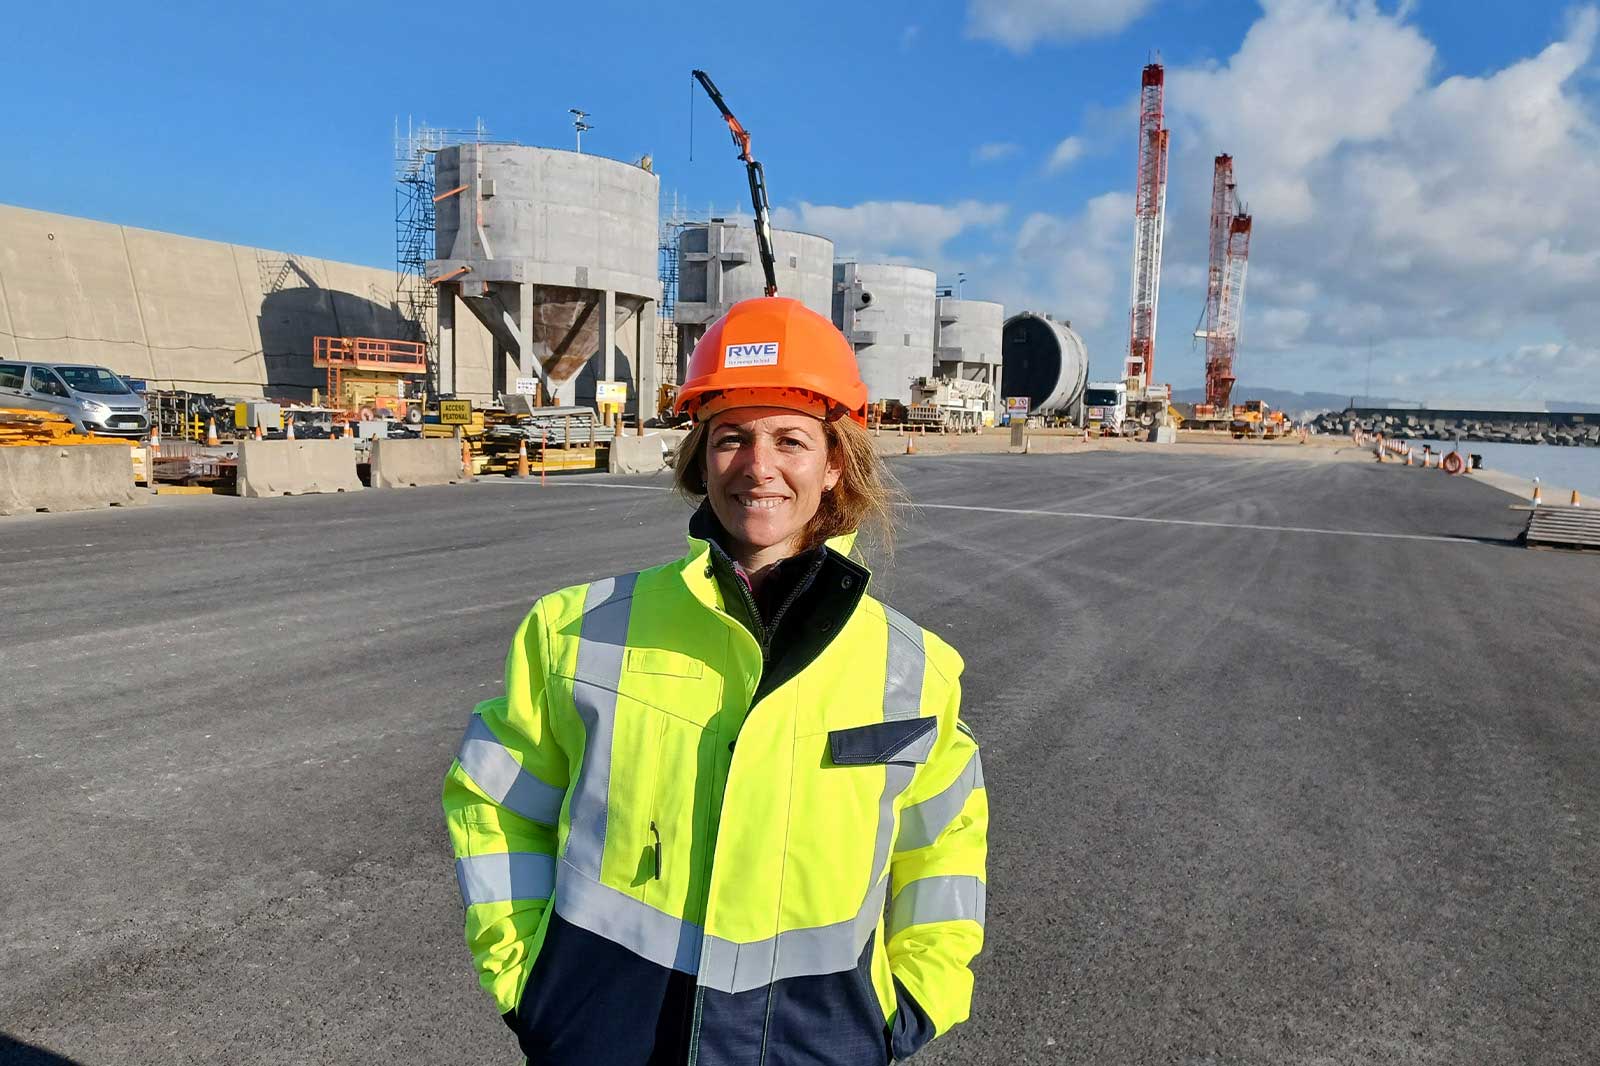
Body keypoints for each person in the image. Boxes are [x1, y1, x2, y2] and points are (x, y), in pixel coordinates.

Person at [442, 296, 988, 1065]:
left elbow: (943, 847)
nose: (758, 467)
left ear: (835, 464)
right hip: (607, 1033)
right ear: (701, 458)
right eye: (732, 438)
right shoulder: (574, 629)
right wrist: (533, 983)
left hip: (818, 1040)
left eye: (791, 440)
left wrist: (915, 1000)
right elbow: (497, 805)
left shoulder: (914, 666)